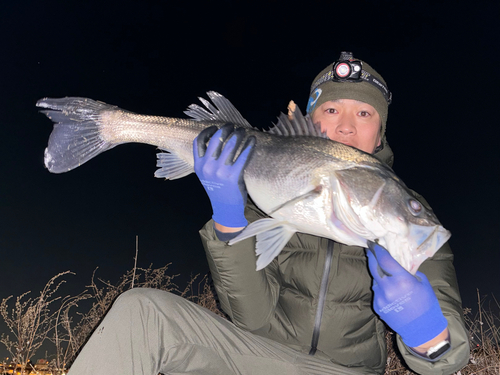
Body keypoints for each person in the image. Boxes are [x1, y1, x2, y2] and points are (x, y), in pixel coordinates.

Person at [67, 52, 469, 375]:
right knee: (142, 312)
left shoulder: (407, 218)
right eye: (331, 111)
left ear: (380, 132)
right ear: (311, 120)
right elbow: (251, 317)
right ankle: (111, 125)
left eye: (364, 114)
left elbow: (447, 360)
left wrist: (428, 335)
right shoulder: (265, 196)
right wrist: (228, 218)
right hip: (256, 356)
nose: (346, 127)